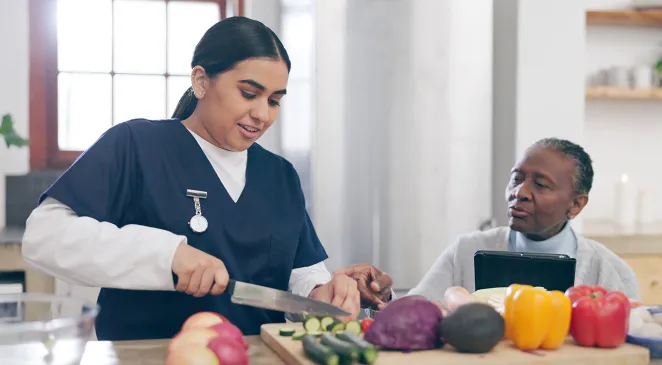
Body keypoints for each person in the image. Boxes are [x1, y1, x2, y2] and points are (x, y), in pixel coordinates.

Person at [21, 16, 390, 341]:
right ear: (201, 80)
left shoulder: (280, 175)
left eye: (275, 100)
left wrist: (324, 295)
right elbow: (44, 237)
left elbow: (300, 276)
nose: (262, 114)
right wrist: (166, 255)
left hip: (258, 355)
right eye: (249, 93)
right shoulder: (136, 145)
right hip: (149, 355)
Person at [408, 138, 641, 304]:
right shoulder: (466, 250)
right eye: (516, 179)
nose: (519, 192)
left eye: (541, 184)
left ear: (576, 204)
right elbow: (412, 311)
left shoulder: (608, 271)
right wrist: (385, 296)